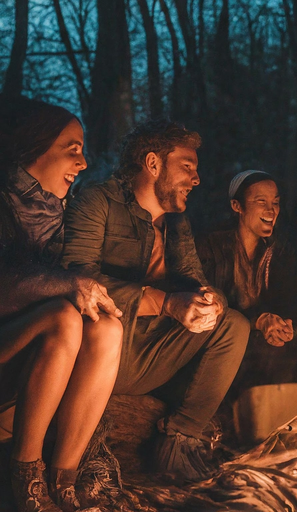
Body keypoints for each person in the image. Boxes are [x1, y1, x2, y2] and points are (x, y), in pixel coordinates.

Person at [62, 118, 250, 481]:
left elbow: (199, 283)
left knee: (233, 325)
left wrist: (212, 301)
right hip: (106, 352)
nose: (195, 179)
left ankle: (180, 440)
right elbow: (76, 279)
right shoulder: (97, 201)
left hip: (155, 352)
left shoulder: (177, 223)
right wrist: (166, 303)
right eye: (187, 167)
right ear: (153, 164)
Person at [0, 95, 123, 512]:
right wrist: (69, 283)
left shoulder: (57, 214)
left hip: (28, 353)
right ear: (33, 147)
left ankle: (63, 478)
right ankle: (26, 477)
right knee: (63, 318)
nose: (83, 163)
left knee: (107, 326)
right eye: (72, 149)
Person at [196, 170, 295, 392]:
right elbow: (205, 305)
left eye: (275, 202)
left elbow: (288, 299)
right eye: (261, 201)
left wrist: (283, 326)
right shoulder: (210, 246)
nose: (271, 210)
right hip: (217, 340)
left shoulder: (277, 251)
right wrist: (256, 321)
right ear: (237, 206)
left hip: (258, 342)